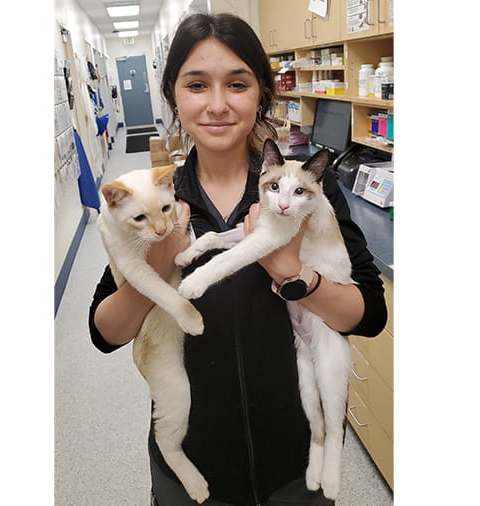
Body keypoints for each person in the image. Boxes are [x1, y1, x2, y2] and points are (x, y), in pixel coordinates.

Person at [89, 13, 388, 506]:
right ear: (174, 95)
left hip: (295, 469)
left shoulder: (305, 189)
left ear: (262, 92)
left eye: (238, 83)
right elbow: (105, 334)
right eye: (197, 85)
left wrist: (295, 274)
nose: (218, 104)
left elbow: (370, 314)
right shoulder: (159, 203)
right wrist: (160, 262)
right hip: (194, 466)